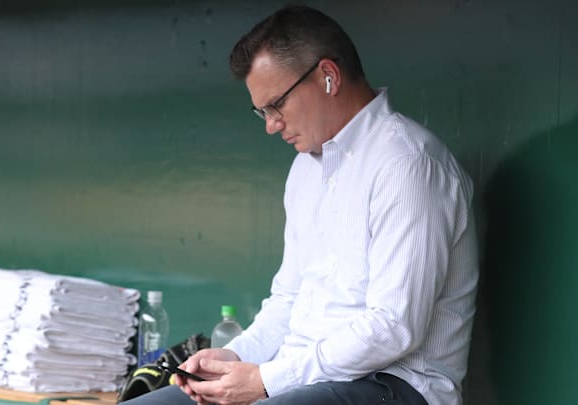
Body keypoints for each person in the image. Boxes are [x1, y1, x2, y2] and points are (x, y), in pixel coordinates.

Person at [120, 5, 478, 405]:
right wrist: (237, 357)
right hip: (299, 378)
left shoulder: (407, 164)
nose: (271, 125)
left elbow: (393, 327)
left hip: (395, 386)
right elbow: (289, 298)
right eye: (262, 112)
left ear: (328, 77)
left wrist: (267, 380)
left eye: (277, 105)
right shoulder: (306, 169)